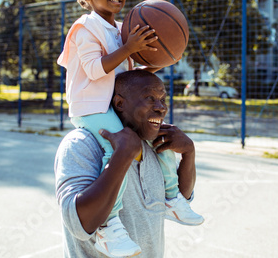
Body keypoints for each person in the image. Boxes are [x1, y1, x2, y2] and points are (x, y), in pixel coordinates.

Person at [56, 0, 203, 257]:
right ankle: (108, 228)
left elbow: (136, 71)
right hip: (91, 108)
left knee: (161, 138)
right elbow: (97, 70)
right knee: (119, 148)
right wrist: (129, 48)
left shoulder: (124, 28)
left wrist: (161, 52)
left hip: (114, 107)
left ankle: (173, 198)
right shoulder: (85, 28)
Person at [55, 70, 201, 257]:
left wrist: (189, 153)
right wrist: (121, 157)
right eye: (149, 98)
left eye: (163, 100)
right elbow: (79, 223)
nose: (161, 108)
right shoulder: (81, 143)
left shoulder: (152, 144)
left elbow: (180, 196)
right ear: (119, 103)